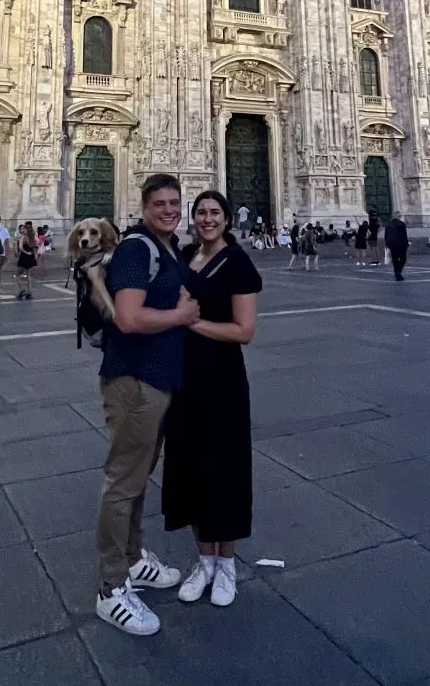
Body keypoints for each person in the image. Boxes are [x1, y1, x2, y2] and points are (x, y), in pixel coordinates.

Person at [94, 173, 200, 638]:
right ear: (143, 206)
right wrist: (180, 315)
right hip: (135, 381)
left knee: (136, 479)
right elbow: (129, 317)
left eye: (175, 202)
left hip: (156, 381)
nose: (169, 210)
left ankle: (134, 560)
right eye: (160, 203)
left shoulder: (170, 248)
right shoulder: (139, 249)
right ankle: (110, 588)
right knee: (124, 482)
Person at [163, 190, 261, 609]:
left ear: (226, 219)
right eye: (201, 213)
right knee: (191, 465)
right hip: (185, 378)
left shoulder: (238, 263)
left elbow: (244, 331)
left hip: (222, 379)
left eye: (214, 213)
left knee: (226, 468)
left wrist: (194, 322)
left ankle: (227, 566)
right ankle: (204, 562)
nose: (207, 219)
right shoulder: (184, 258)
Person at [16, 221, 38, 299]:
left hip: (24, 257)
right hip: (31, 257)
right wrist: (35, 256)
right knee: (30, 276)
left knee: (17, 275)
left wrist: (26, 252)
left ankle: (22, 289)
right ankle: (29, 292)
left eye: (23, 228)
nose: (22, 230)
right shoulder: (32, 237)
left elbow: (21, 248)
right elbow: (36, 246)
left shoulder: (22, 237)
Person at [384, 212, 409, 280]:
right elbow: (404, 235)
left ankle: (397, 274)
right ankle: (399, 272)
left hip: (392, 244)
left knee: (395, 260)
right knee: (403, 259)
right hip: (401, 244)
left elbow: (386, 235)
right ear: (399, 216)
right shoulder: (401, 223)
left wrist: (386, 243)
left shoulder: (389, 224)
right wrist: (406, 244)